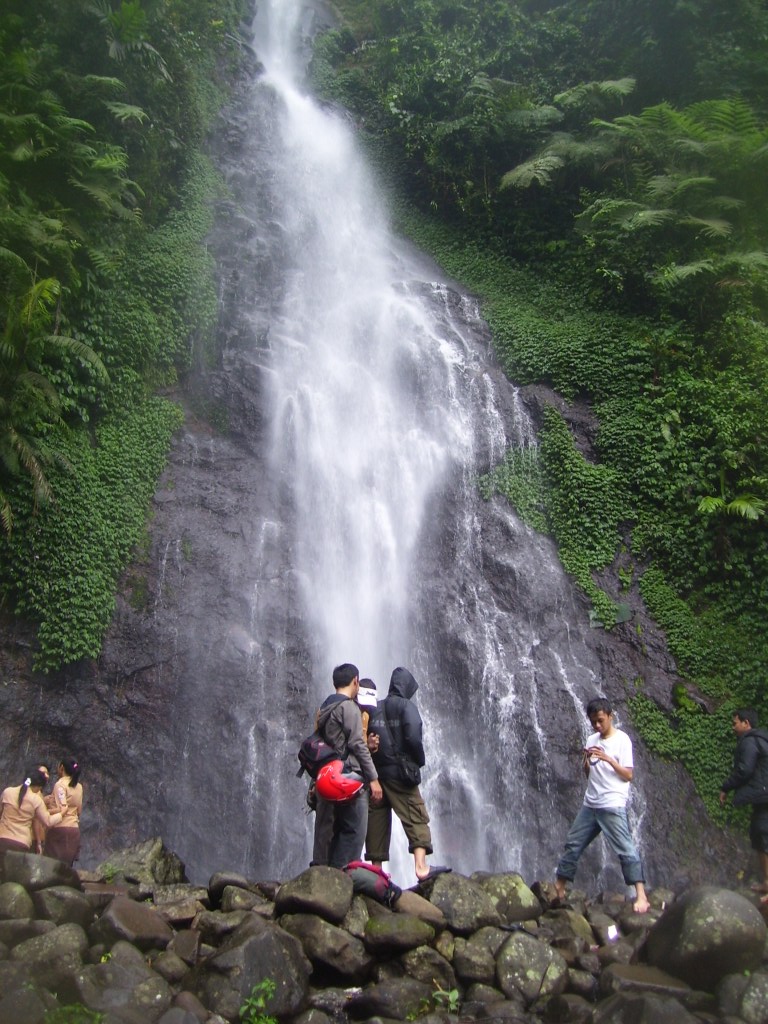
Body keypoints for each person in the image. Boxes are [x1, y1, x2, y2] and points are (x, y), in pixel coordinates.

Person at [554, 696, 650, 913]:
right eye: (593, 722)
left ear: (610, 716)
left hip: (612, 804)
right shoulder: (591, 740)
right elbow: (588, 773)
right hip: (591, 804)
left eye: (600, 720)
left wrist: (609, 759)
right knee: (573, 843)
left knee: (626, 849)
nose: (597, 725)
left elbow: (628, 775)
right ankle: (559, 888)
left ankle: (641, 896)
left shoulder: (622, 740)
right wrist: (587, 761)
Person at [365, 666, 449, 883]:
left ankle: (377, 872)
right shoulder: (406, 706)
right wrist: (419, 760)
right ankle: (421, 868)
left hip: (376, 775)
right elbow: (412, 737)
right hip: (400, 775)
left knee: (377, 821)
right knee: (416, 816)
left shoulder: (377, 708)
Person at [312, 663, 382, 869]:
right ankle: (345, 874)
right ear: (355, 681)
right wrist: (374, 778)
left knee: (326, 829)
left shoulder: (323, 708)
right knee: (354, 829)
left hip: (325, 777)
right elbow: (356, 744)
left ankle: (320, 874)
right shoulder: (349, 707)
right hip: (347, 777)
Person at [719, 708, 768, 896]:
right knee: (760, 834)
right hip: (763, 795)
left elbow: (744, 770)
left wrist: (726, 787)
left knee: (762, 834)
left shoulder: (749, 741)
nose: (733, 727)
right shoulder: (762, 739)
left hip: (764, 795)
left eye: (735, 723)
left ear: (746, 723)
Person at [0, 769, 62, 853]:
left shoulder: (7, 792)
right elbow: (48, 821)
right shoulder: (36, 799)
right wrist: (61, 814)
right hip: (21, 843)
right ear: (38, 786)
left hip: (2, 839)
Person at [45, 758, 84, 867]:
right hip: (74, 829)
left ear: (61, 768)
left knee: (51, 865)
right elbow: (79, 810)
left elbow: (62, 808)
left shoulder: (60, 784)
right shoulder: (79, 786)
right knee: (66, 868)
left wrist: (44, 811)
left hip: (59, 829)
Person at [32, 764, 51, 855]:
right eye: (43, 773)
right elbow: (35, 817)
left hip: (38, 836)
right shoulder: (35, 793)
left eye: (47, 773)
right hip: (34, 837)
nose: (46, 776)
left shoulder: (39, 793)